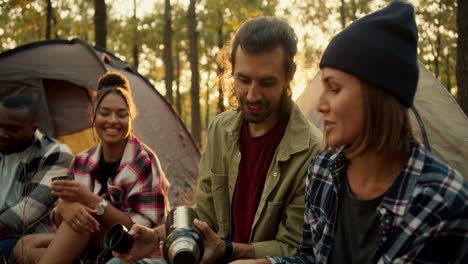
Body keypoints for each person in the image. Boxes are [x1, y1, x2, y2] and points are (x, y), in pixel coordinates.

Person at [234, 1, 468, 264]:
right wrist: (266, 263)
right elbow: (311, 259)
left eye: (334, 89)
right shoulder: (322, 171)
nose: (320, 105)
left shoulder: (442, 203)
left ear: (377, 95)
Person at [110, 16, 322, 264]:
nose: (252, 95)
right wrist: (156, 235)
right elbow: (204, 214)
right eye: (243, 80)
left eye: (266, 82)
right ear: (231, 71)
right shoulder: (221, 129)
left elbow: (292, 248)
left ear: (289, 76)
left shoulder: (312, 151)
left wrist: (228, 249)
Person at [13, 72, 170, 264]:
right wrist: (65, 207)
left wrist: (90, 200)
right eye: (104, 113)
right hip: (88, 241)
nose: (112, 120)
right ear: (92, 116)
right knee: (23, 245)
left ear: (131, 118)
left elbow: (140, 230)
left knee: (81, 222)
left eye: (121, 114)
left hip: (127, 248)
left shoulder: (143, 161)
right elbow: (57, 216)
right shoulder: (82, 161)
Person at [0, 94, 73, 259]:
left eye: (12, 129)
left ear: (33, 129)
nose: (2, 134)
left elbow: (24, 215)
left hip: (25, 237)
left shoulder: (55, 153)